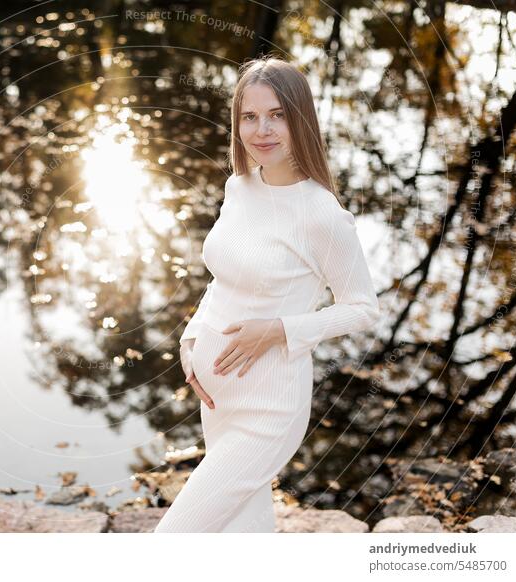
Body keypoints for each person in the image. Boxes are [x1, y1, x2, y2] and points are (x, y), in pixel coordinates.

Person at [153, 56, 381, 533]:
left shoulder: (321, 214)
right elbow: (222, 279)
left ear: (301, 119)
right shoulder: (240, 187)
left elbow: (362, 310)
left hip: (268, 408)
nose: (263, 130)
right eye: (249, 116)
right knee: (243, 534)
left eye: (277, 114)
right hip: (217, 395)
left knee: (172, 540)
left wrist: (279, 330)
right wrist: (191, 341)